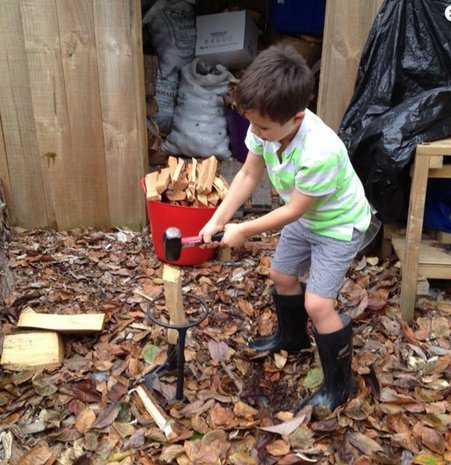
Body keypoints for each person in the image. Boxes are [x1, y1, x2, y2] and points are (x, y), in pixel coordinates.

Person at [199, 44, 372, 413]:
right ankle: (292, 339)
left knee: (319, 304)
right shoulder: (264, 129)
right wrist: (218, 219)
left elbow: (292, 210)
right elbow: (247, 174)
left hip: (337, 226)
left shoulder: (320, 151)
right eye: (251, 123)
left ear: (295, 118)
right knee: (281, 273)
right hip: (306, 218)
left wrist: (244, 230)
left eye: (262, 127)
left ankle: (338, 385)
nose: (254, 132)